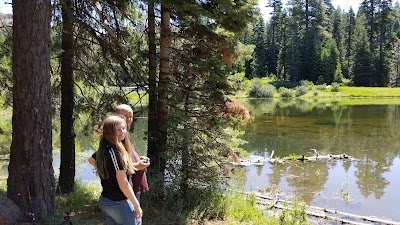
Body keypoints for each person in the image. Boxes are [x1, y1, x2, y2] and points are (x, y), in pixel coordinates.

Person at [90, 104, 149, 202]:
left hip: (134, 186)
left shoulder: (123, 134)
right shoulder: (116, 138)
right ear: (116, 115)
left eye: (131, 116)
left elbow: (124, 157)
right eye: (125, 116)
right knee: (132, 216)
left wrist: (138, 158)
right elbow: (93, 160)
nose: (129, 119)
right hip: (126, 190)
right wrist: (134, 166)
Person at [94, 115, 142, 225]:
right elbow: (123, 183)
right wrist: (136, 204)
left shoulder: (104, 147)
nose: (122, 132)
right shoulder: (114, 153)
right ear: (109, 132)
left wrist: (131, 165)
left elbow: (92, 160)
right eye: (118, 129)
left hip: (107, 200)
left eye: (123, 128)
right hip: (118, 203)